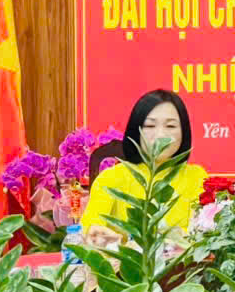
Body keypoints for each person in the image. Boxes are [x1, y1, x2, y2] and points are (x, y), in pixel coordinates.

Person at [80, 89, 207, 237]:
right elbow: (91, 228)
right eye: (150, 126)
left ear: (184, 132)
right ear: (136, 131)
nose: (161, 135)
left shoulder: (196, 177)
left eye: (171, 126)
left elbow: (201, 233)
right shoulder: (111, 179)